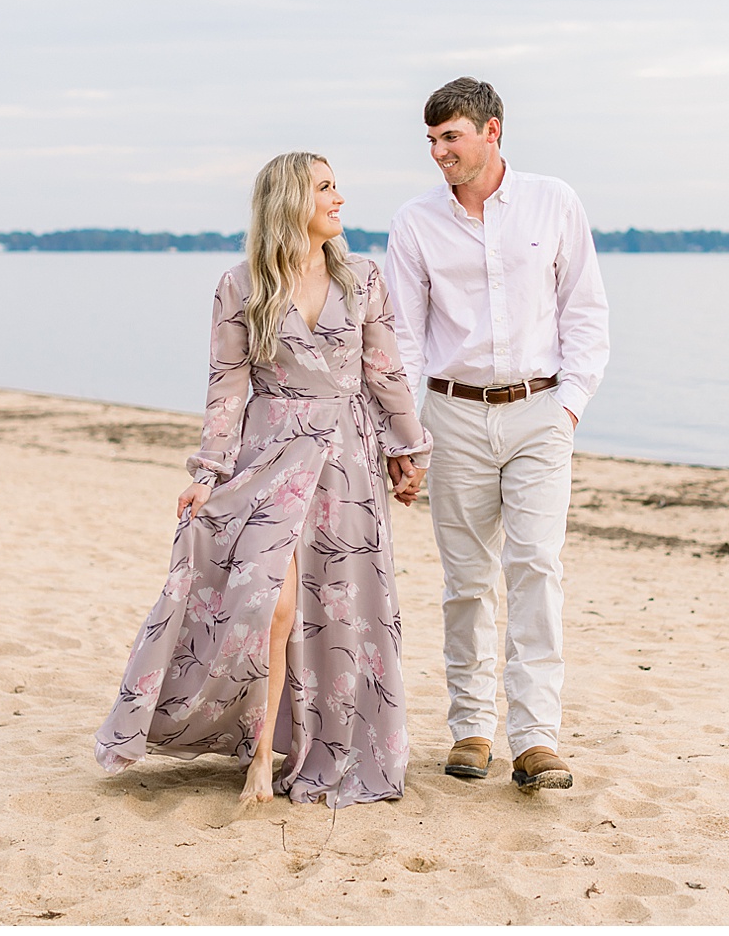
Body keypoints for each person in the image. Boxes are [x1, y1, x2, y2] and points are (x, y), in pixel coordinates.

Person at [93, 151, 432, 808]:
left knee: (338, 605)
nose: (340, 197)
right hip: (268, 454)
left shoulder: (364, 276)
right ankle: (256, 752)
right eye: (326, 187)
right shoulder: (240, 285)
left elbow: (385, 373)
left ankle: (298, 751)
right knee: (269, 601)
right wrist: (208, 470)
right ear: (290, 202)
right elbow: (227, 386)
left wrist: (409, 448)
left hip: (345, 459)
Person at [384, 77, 610, 791]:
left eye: (451, 136)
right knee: (466, 579)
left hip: (541, 410)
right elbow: (404, 339)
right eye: (432, 140)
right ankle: (472, 727)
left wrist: (569, 405)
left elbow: (585, 311)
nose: (439, 151)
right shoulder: (414, 223)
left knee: (537, 567)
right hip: (452, 414)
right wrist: (407, 437)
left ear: (492, 130)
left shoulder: (555, 201)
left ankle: (536, 737)